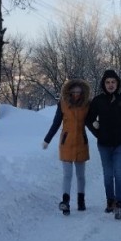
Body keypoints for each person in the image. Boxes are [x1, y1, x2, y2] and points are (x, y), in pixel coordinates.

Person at [85, 69, 121, 219]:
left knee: (119, 174)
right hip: (103, 145)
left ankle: (120, 204)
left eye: (113, 82)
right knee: (108, 175)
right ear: (104, 84)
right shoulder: (98, 100)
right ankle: (110, 201)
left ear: (117, 83)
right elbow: (88, 120)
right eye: (107, 82)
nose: (110, 85)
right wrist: (98, 133)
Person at [43, 79, 91, 215]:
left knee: (80, 175)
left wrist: (99, 131)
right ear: (69, 91)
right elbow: (56, 123)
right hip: (67, 143)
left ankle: (81, 200)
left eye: (78, 92)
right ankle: (65, 202)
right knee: (67, 175)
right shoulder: (63, 104)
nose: (76, 94)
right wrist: (47, 139)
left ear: (83, 92)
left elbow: (91, 121)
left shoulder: (87, 104)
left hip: (81, 143)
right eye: (73, 91)